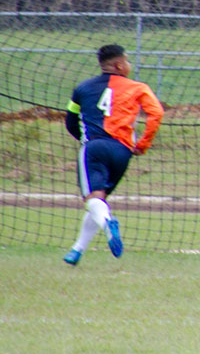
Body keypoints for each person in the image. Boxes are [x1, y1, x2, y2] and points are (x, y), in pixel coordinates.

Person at [62, 44, 165, 265]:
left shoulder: (82, 88)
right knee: (99, 200)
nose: (129, 65)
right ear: (119, 65)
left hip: (95, 147)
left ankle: (108, 223)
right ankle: (76, 250)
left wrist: (83, 138)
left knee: (93, 201)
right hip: (123, 151)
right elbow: (156, 113)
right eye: (128, 61)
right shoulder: (139, 87)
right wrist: (144, 143)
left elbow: (70, 121)